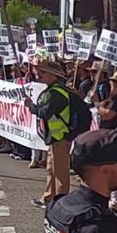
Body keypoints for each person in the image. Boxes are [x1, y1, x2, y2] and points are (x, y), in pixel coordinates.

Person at [26, 54, 77, 209]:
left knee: (60, 172)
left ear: (53, 75)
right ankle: (49, 198)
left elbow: (45, 112)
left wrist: (32, 107)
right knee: (52, 169)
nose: (41, 75)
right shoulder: (56, 90)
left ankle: (60, 203)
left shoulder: (56, 92)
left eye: (45, 73)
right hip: (55, 136)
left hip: (60, 136)